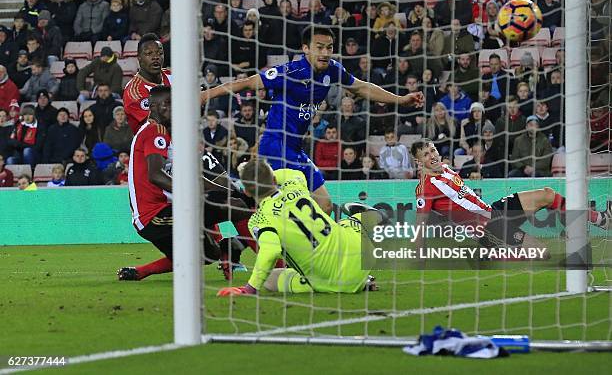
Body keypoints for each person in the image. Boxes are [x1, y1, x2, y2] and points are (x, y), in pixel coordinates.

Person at [202, 26, 424, 214]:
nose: (325, 52)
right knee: (281, 212)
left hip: (296, 149)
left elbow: (361, 87)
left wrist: (401, 99)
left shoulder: (333, 70)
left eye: (329, 47)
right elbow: (245, 84)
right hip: (275, 147)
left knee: (325, 205)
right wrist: (204, 96)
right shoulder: (290, 72)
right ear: (305, 48)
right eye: (319, 47)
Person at [410, 139, 611, 252]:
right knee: (542, 252)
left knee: (548, 195)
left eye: (433, 150)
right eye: (426, 155)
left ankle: (600, 219)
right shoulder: (425, 188)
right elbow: (420, 225)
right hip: (487, 228)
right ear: (418, 163)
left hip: (493, 211)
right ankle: (494, 251)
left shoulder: (445, 168)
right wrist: (419, 256)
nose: (433, 155)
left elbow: (460, 196)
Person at [216, 159, 380, 296]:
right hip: (361, 255)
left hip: (336, 282)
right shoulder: (295, 186)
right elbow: (296, 173)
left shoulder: (260, 219)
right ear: (274, 179)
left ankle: (359, 278)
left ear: (247, 193)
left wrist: (250, 288)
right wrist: (268, 175)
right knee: (343, 226)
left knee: (269, 280)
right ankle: (362, 218)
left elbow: (270, 251)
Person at [117, 86, 221, 281]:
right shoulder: (155, 131)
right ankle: (271, 267)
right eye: (170, 104)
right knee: (234, 204)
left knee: (206, 253)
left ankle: (141, 271)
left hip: (164, 209)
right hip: (154, 215)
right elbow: (156, 175)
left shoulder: (169, 134)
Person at [123, 33, 172, 134]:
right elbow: (158, 122)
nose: (155, 57)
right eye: (149, 53)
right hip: (151, 146)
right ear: (139, 58)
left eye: (160, 53)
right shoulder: (134, 91)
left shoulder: (171, 75)